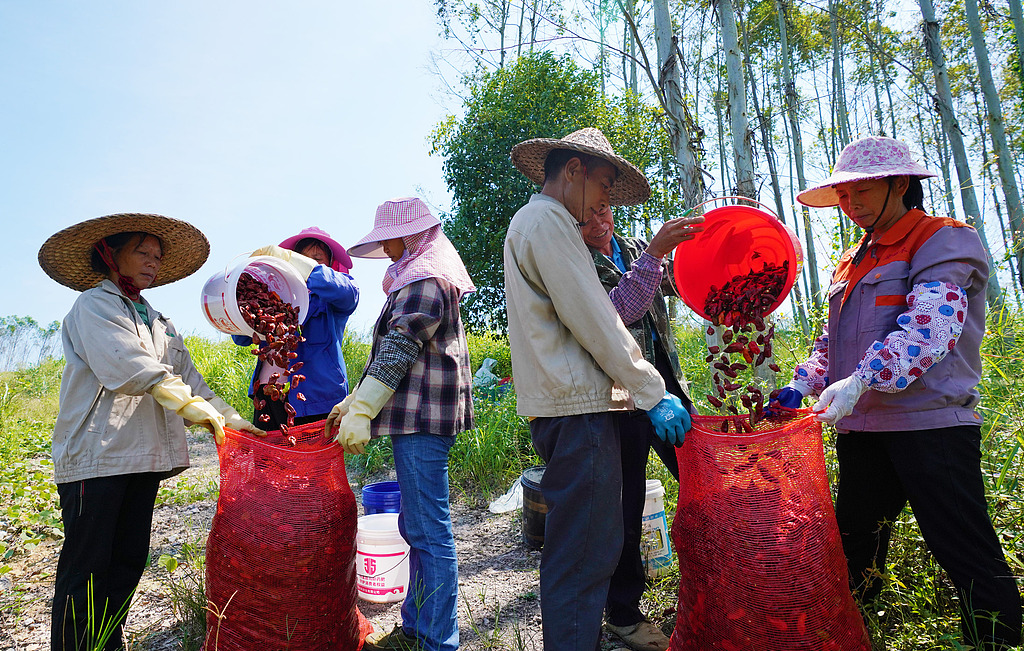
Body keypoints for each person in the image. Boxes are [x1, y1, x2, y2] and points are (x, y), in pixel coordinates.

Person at [770, 136, 1022, 650]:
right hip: (862, 429)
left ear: (899, 184)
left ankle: (998, 638)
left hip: (929, 426)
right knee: (856, 542)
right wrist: (803, 384)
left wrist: (862, 378)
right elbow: (830, 341)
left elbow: (930, 328)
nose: (851, 204)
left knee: (962, 545)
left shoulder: (940, 240)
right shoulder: (850, 260)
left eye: (862, 191)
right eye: (843, 195)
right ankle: (859, 630)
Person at [38, 213, 264, 651]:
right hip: (97, 458)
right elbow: (130, 369)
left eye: (157, 256)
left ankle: (108, 642)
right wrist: (190, 407)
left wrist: (235, 423)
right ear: (109, 253)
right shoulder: (94, 306)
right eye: (142, 252)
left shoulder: (159, 321)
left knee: (127, 563)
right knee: (86, 570)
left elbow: (191, 381)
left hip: (142, 459)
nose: (152, 262)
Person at [503, 127, 692, 651]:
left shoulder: (543, 223)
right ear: (573, 171)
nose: (604, 202)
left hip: (576, 404)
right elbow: (596, 319)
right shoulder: (547, 222)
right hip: (578, 406)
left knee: (591, 542)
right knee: (582, 551)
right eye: (603, 186)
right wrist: (652, 390)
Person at [325, 197, 474, 651]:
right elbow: (393, 350)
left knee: (430, 530)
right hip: (416, 416)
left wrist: (365, 408)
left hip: (423, 419)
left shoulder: (427, 276)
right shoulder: (419, 274)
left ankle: (438, 639)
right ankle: (415, 625)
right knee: (417, 526)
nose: (386, 250)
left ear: (408, 234)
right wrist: (354, 400)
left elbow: (400, 347)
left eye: (388, 239)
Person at [580, 206, 702, 651]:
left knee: (702, 480)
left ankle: (718, 574)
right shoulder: (577, 262)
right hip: (621, 398)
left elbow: (685, 284)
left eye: (604, 211)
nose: (599, 222)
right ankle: (625, 615)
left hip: (669, 390)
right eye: (586, 217)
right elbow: (615, 314)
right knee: (625, 506)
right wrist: (654, 254)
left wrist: (709, 257)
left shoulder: (631, 248)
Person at [233, 227, 359, 429]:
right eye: (302, 258)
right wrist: (238, 302)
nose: (308, 263)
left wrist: (304, 266)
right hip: (268, 394)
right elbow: (241, 337)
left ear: (329, 265)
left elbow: (348, 294)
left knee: (314, 460)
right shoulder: (275, 297)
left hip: (317, 398)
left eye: (317, 259)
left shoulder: (334, 297)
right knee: (271, 459)